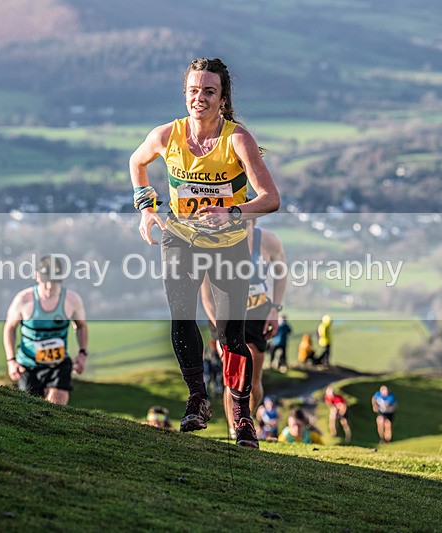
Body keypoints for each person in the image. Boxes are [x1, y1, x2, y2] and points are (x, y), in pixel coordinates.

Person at [129, 57, 280, 448]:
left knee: (231, 336)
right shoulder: (167, 135)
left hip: (229, 246)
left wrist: (232, 211)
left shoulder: (237, 140)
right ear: (185, 94)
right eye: (193, 91)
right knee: (182, 317)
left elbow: (271, 199)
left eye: (209, 91)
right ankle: (197, 398)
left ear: (223, 97)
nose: (200, 98)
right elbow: (136, 162)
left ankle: (242, 416)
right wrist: (147, 210)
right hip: (180, 238)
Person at [200, 216, 287, 437]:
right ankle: (234, 429)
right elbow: (207, 296)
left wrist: (275, 309)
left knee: (254, 382)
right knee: (234, 377)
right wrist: (220, 330)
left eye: (245, 222)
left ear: (254, 221)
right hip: (225, 316)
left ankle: (246, 418)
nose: (240, 227)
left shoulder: (267, 241)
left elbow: (281, 272)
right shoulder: (213, 244)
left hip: (258, 313)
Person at [3, 255, 88, 405]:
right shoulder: (24, 300)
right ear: (37, 277)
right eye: (45, 281)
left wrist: (82, 353)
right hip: (28, 365)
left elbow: (81, 326)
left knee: (56, 406)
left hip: (59, 364)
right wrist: (11, 360)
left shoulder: (72, 300)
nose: (49, 286)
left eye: (54, 281)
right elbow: (9, 328)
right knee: (32, 410)